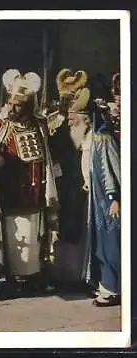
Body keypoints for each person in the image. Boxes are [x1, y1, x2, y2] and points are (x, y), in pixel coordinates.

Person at [0, 70, 59, 292]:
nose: (15, 108)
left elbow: (50, 151)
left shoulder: (39, 124)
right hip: (11, 192)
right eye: (12, 104)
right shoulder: (1, 124)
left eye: (19, 105)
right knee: (15, 238)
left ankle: (34, 276)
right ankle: (13, 276)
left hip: (36, 192)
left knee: (35, 238)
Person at [45, 69, 95, 290]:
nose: (65, 104)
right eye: (63, 100)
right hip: (58, 181)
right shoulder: (52, 121)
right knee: (57, 224)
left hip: (77, 180)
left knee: (75, 224)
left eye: (69, 100)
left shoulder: (84, 124)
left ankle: (76, 273)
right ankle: (59, 271)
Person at [83, 94, 121, 307]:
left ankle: (113, 288)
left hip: (107, 202)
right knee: (101, 244)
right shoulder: (95, 136)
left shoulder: (103, 138)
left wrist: (113, 197)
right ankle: (104, 285)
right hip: (98, 200)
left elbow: (110, 170)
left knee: (110, 244)